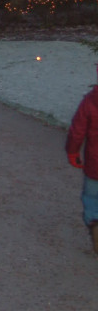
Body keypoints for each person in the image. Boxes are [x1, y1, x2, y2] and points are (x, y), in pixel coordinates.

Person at [66, 69, 98, 254]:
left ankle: (95, 224)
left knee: (92, 198)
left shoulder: (90, 101)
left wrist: (72, 152)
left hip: (95, 165)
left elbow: (77, 131)